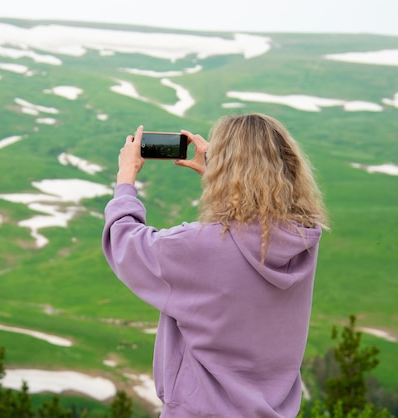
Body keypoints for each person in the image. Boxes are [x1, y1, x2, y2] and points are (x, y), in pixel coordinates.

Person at [102, 113, 329, 417]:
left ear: (226, 169)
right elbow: (258, 222)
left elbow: (125, 243)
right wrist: (223, 176)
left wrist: (125, 181)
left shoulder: (200, 245)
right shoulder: (302, 238)